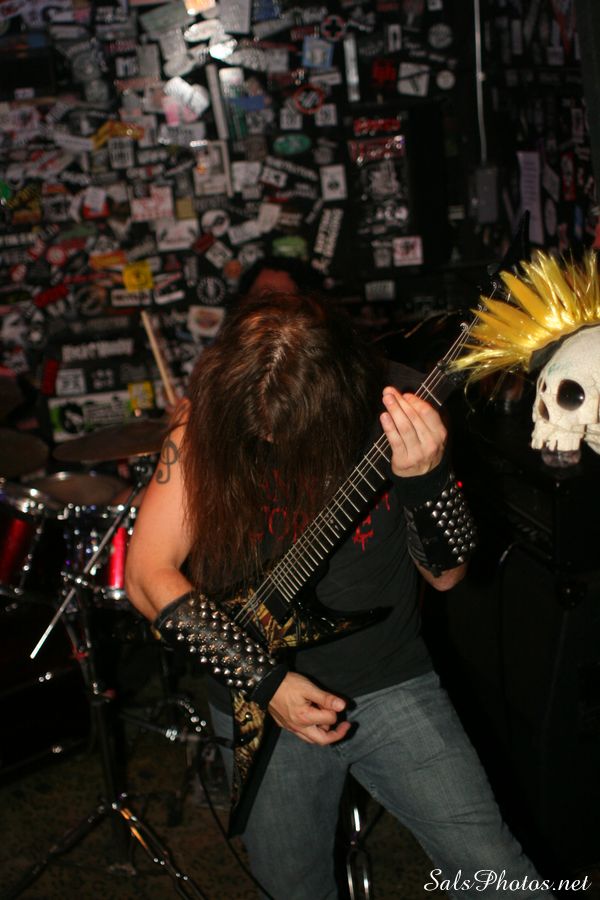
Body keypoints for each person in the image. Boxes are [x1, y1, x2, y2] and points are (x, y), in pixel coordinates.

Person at [125, 292, 553, 900]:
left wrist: (428, 478)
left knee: (498, 876)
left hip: (391, 680)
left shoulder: (401, 405)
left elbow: (447, 577)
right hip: (256, 693)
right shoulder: (203, 421)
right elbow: (146, 574)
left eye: (286, 426)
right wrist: (266, 682)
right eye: (255, 424)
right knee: (294, 889)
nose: (268, 437)